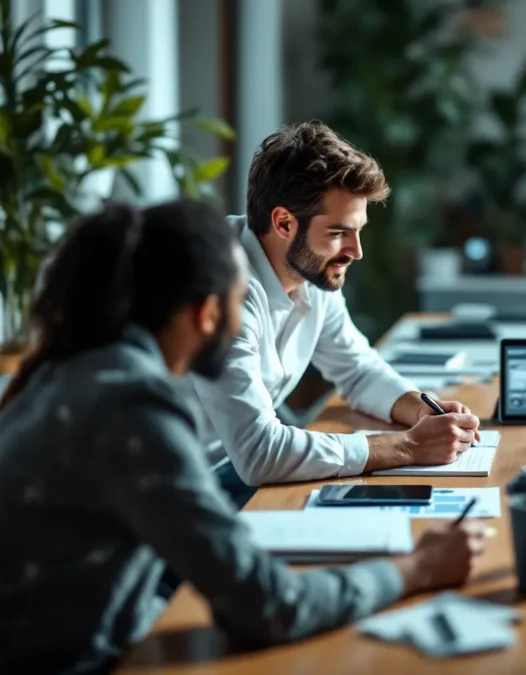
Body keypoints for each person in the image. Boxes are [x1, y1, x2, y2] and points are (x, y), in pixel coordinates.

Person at [0, 201, 491, 674]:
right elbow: (272, 607)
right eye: (239, 303)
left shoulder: (70, 369)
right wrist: (417, 568)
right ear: (206, 314)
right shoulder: (134, 407)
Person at [187, 121, 480, 494]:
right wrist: (409, 445)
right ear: (284, 223)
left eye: (359, 231)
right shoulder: (224, 290)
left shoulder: (310, 269)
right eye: (340, 233)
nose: (356, 252)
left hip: (226, 466)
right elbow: (259, 453)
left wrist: (418, 409)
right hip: (170, 489)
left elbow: (356, 369)